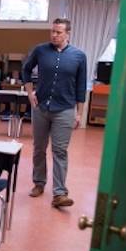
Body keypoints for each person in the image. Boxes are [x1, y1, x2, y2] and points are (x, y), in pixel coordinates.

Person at [22, 18, 86, 208]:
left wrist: (79, 113)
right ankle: (39, 183)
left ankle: (59, 194)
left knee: (59, 150)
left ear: (68, 33)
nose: (54, 35)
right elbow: (26, 69)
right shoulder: (40, 50)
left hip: (65, 109)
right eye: (52, 31)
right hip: (41, 108)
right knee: (39, 148)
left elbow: (81, 86)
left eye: (58, 32)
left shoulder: (79, 56)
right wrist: (29, 92)